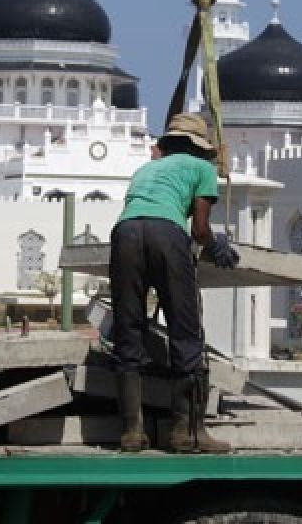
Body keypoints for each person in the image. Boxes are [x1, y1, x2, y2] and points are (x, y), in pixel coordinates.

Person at [110, 113, 239, 453]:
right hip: (167, 235)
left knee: (129, 329)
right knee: (185, 332)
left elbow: (141, 213)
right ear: (200, 148)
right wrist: (217, 246)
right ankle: (187, 433)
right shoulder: (202, 169)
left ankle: (131, 433)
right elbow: (198, 229)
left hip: (125, 234)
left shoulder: (145, 170)